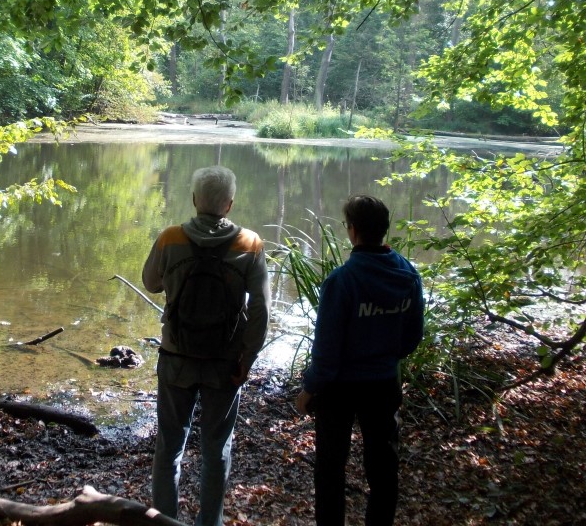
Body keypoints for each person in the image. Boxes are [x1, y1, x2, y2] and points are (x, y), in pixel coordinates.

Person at [143, 165, 271, 526]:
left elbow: (150, 282)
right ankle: (209, 522)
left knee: (169, 445)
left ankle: (164, 520)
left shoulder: (170, 238)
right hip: (225, 361)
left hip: (176, 358)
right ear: (229, 205)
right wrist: (248, 358)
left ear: (195, 200)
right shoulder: (250, 243)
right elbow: (261, 310)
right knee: (216, 448)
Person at [295, 195, 425, 526]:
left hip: (338, 389)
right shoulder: (408, 275)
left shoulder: (342, 281)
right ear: (384, 230)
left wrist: (309, 390)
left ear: (352, 231)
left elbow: (326, 350)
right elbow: (412, 336)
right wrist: (385, 356)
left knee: (330, 469)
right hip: (383, 384)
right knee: (383, 469)